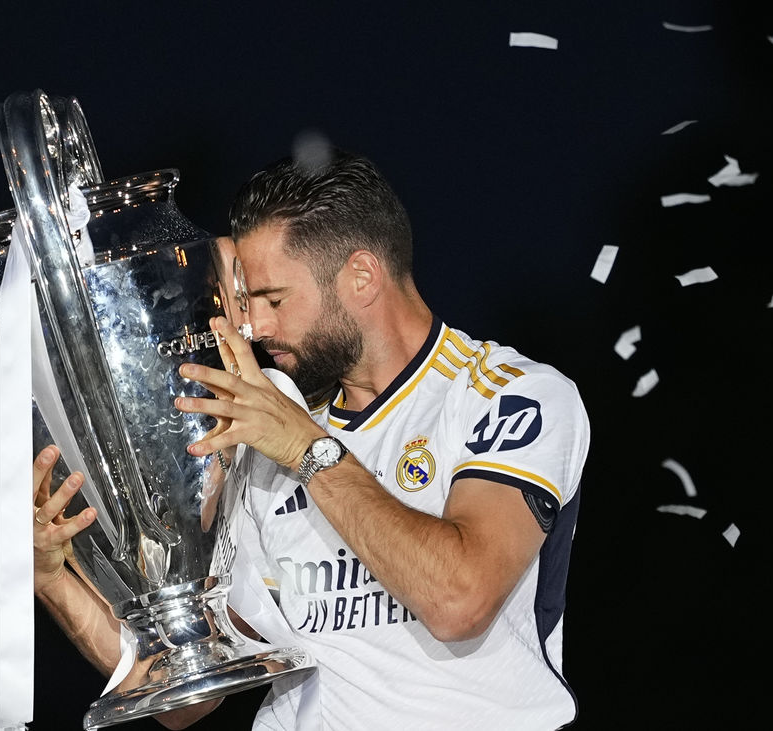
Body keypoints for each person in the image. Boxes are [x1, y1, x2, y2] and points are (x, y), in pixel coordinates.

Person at [32, 150, 590, 730]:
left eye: (273, 299)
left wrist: (308, 451)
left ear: (362, 276)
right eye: (247, 303)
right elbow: (191, 694)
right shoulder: (270, 430)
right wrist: (53, 577)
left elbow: (459, 600)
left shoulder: (509, 395)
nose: (255, 327)